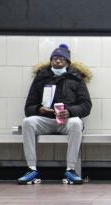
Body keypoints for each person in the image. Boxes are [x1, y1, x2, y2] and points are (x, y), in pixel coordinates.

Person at [17, 44, 92, 185]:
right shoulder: (41, 78)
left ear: (67, 62)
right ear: (51, 61)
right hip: (46, 120)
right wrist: (39, 109)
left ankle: (70, 170)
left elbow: (86, 105)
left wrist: (69, 112)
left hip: (66, 121)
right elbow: (28, 107)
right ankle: (31, 169)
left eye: (62, 59)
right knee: (28, 122)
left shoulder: (76, 79)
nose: (58, 61)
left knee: (77, 123)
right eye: (55, 58)